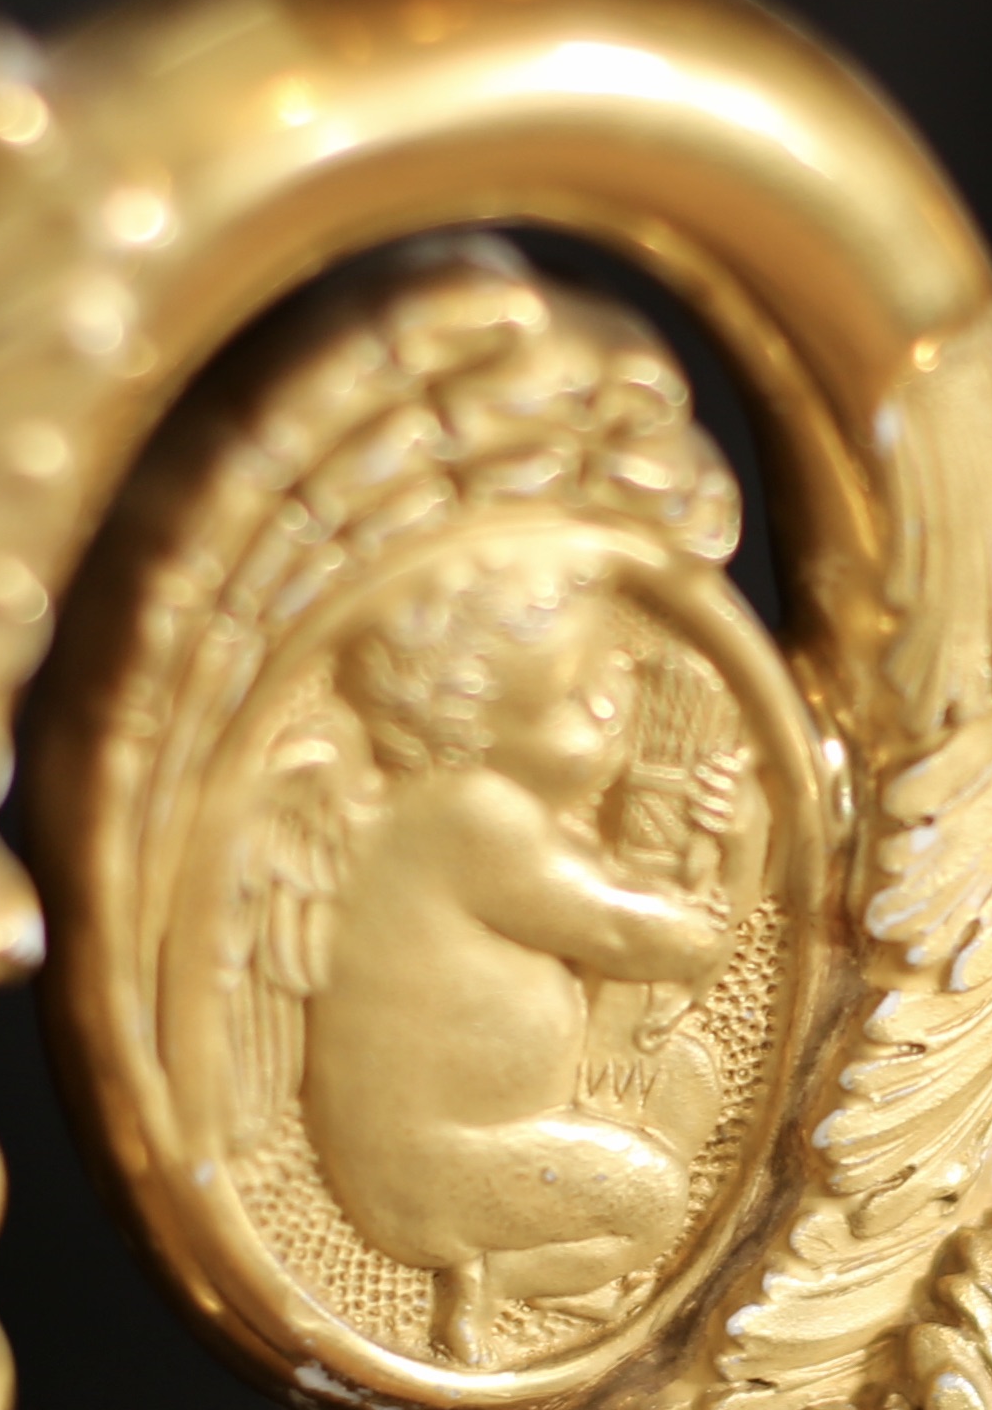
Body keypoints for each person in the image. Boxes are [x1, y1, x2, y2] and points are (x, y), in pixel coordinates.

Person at [306, 530, 746, 1364]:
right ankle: (489, 1286)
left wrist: (726, 839)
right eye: (570, 698)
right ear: (467, 731)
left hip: (507, 1130)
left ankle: (558, 1261)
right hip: (433, 1168)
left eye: (607, 676)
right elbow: (632, 931)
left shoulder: (507, 817)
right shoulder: (466, 816)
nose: (610, 710)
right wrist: (696, 915)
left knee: (686, 1081)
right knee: (655, 1202)